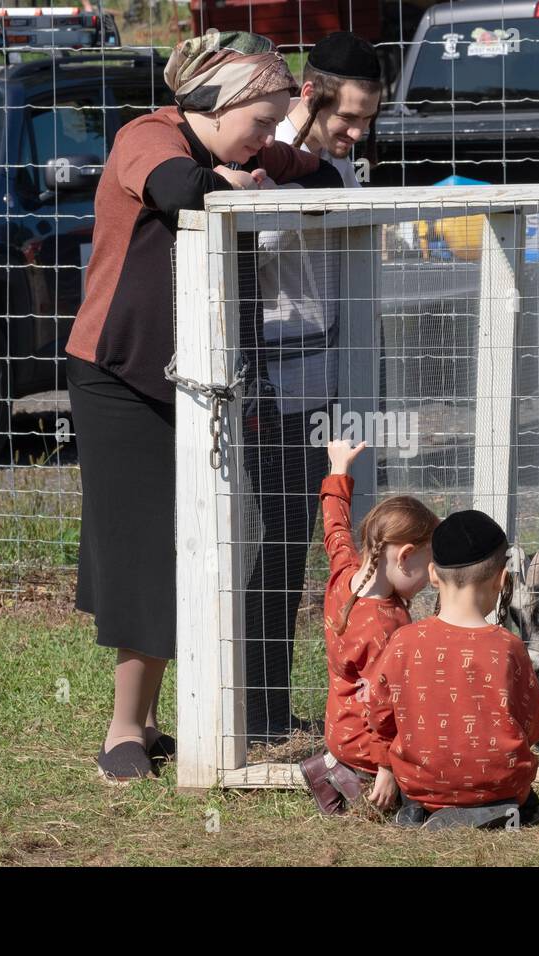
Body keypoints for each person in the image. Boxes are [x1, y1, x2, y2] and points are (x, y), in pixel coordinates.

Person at [65, 30, 337, 784]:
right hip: (120, 376)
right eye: (260, 122)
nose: (265, 139)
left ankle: (159, 719)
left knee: (203, 540)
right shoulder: (145, 138)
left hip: (197, 376)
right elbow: (182, 190)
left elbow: (320, 170)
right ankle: (125, 730)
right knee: (147, 545)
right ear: (220, 102)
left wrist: (293, 169)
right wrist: (239, 187)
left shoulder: (244, 149)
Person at [244, 32, 386, 741]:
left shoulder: (336, 165)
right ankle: (256, 709)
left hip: (325, 378)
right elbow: (256, 242)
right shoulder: (268, 161)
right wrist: (303, 166)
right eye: (348, 119)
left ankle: (271, 706)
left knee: (303, 542)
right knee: (272, 545)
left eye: (368, 121)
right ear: (310, 94)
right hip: (272, 382)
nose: (358, 133)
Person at [365, 510, 539, 829]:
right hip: (498, 786)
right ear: (502, 579)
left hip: (420, 783)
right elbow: (533, 722)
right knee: (527, 804)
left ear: (434, 575)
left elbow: (378, 713)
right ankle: (487, 811)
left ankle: (421, 808)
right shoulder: (509, 648)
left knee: (422, 787)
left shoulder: (403, 641)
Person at [299, 440, 439, 814]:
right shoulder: (383, 626)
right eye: (429, 567)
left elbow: (334, 528)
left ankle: (334, 764)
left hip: (339, 729)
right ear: (406, 556)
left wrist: (339, 470)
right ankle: (354, 777)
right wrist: (387, 767)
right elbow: (383, 705)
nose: (431, 578)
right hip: (367, 742)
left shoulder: (345, 574)